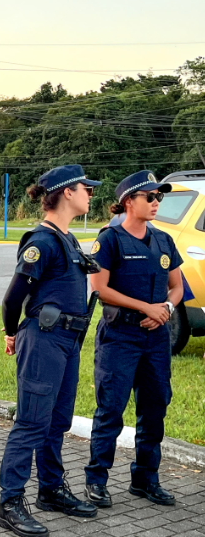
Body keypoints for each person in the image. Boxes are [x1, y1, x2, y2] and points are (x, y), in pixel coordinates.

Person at [0, 164, 101, 537]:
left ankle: (51, 490)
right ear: (67, 192)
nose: (91, 193)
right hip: (43, 340)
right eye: (86, 188)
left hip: (67, 342)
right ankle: (10, 503)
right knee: (31, 422)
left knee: (57, 422)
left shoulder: (68, 239)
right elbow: (13, 299)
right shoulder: (41, 242)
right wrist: (11, 333)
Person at [84, 171, 183, 508]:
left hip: (156, 338)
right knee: (111, 408)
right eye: (150, 197)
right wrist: (146, 307)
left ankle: (145, 479)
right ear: (129, 201)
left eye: (160, 198)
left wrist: (166, 308)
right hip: (120, 335)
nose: (156, 203)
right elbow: (99, 289)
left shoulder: (164, 240)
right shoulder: (109, 239)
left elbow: (177, 286)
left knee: (155, 407)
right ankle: (96, 480)